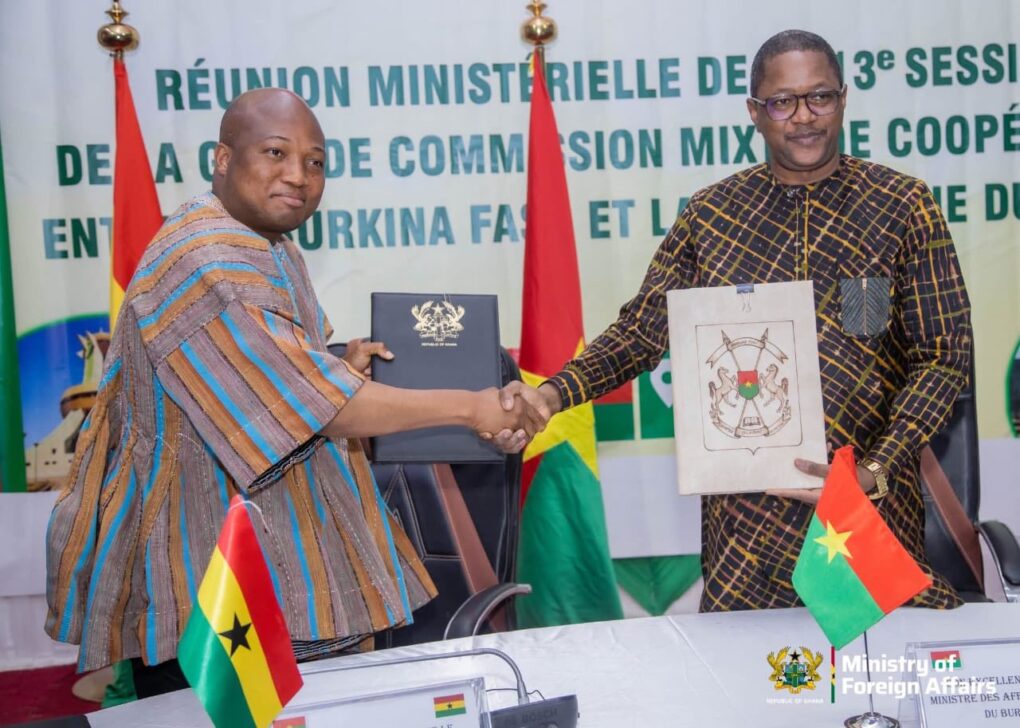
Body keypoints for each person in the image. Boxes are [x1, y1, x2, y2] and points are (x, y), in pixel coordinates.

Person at [45, 88, 539, 695]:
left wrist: (333, 365)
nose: (299, 176)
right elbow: (320, 409)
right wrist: (471, 407)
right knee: (235, 710)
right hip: (214, 571)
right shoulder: (208, 259)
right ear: (222, 159)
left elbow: (282, 372)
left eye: (315, 161)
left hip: (274, 554)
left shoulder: (267, 243)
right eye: (276, 153)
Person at [512, 29, 972, 612]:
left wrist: (874, 470)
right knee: (752, 668)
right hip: (747, 537)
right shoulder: (712, 217)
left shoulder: (901, 206)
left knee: (876, 665)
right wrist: (553, 394)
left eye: (819, 97)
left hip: (864, 514)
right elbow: (641, 332)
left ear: (843, 100)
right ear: (755, 112)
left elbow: (943, 357)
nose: (803, 117)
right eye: (782, 102)